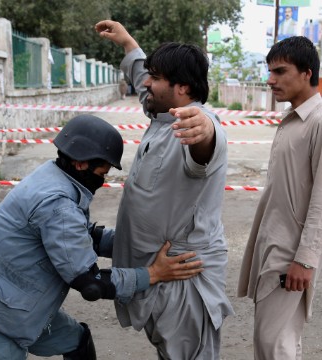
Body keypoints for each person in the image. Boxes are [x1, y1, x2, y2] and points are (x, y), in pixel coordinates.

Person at [0, 114, 204, 360]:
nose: (102, 181)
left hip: (15, 300)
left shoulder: (54, 176)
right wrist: (153, 274)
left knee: (76, 340)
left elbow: (78, 237)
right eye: (102, 173)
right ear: (81, 163)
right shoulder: (58, 204)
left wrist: (141, 243)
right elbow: (90, 282)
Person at [94, 20, 234, 359]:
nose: (146, 83)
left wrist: (206, 128)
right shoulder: (163, 115)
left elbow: (205, 146)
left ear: (183, 88)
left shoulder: (192, 126)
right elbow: (146, 86)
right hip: (158, 274)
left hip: (183, 278)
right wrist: (129, 44)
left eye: (155, 78)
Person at [237, 36, 322, 359]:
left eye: (280, 71)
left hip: (291, 253)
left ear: (306, 73)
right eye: (270, 72)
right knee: (269, 339)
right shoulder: (293, 119)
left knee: (276, 343)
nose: (271, 80)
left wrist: (305, 259)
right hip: (272, 245)